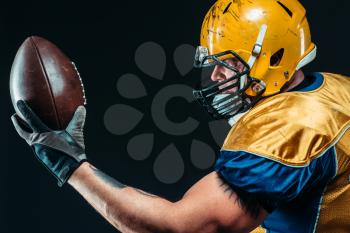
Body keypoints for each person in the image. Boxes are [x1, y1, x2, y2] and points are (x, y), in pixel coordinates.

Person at [10, 0, 350, 232]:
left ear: (274, 58)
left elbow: (180, 227)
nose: (216, 77)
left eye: (229, 63)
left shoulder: (292, 127)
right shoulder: (335, 89)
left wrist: (71, 165)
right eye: (214, 63)